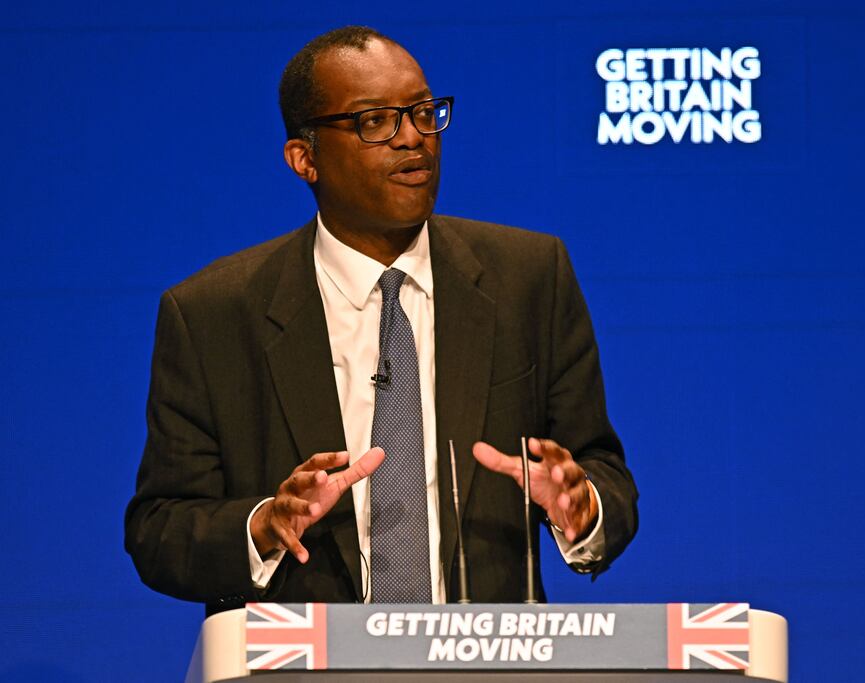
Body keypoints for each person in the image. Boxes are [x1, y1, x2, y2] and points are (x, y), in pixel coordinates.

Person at [125, 26, 638, 611]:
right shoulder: (212, 315)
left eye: (424, 112)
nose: (413, 139)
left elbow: (605, 477)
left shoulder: (529, 278)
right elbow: (159, 531)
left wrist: (582, 505)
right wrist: (265, 523)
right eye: (375, 121)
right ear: (305, 158)